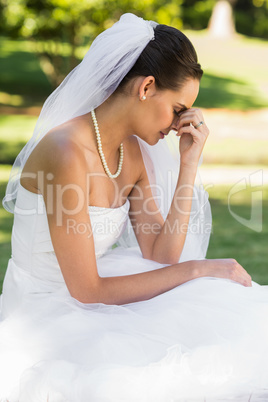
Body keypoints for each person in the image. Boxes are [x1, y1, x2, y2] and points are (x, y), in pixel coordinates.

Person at [0, 12, 267, 401]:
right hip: (48, 309)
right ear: (146, 87)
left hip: (91, 296)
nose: (180, 125)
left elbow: (160, 254)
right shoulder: (65, 152)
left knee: (238, 327)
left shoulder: (133, 152)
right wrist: (197, 269)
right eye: (178, 109)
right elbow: (87, 291)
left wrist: (188, 163)